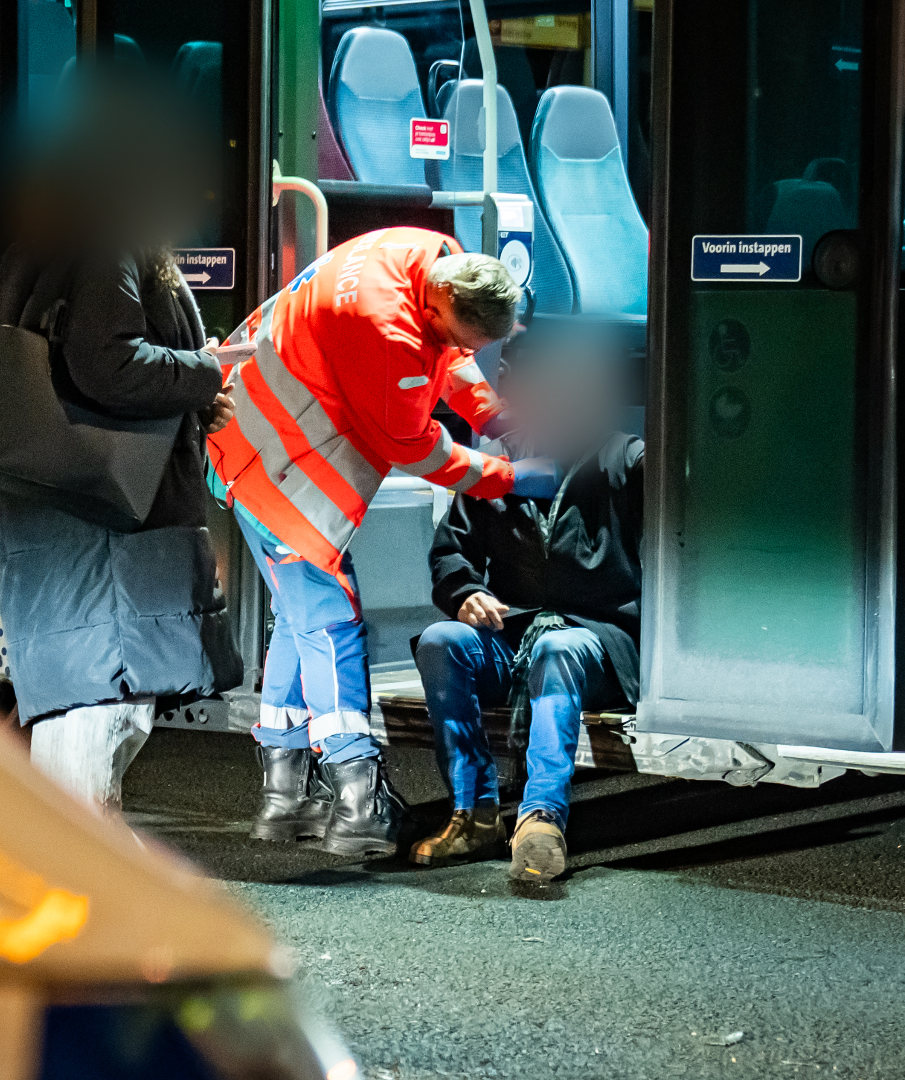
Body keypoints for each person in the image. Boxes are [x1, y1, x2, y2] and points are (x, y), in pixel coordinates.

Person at [206, 227, 558, 858]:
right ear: (437, 306)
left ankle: (284, 799)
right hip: (276, 466)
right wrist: (503, 476)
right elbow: (415, 446)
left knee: (297, 620)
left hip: (245, 436)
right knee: (332, 620)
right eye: (456, 335)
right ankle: (357, 800)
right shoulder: (386, 330)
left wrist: (489, 413)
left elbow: (447, 355)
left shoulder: (430, 255)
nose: (457, 349)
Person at [0, 73, 242, 814]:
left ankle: (78, 890)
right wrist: (204, 374)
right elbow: (108, 362)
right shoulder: (107, 245)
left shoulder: (57, 238)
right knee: (99, 708)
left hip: (75, 517)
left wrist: (195, 402)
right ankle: (80, 895)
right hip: (106, 527)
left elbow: (93, 362)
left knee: (91, 704)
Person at [408, 331, 642, 881]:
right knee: (443, 642)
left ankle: (541, 819)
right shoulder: (498, 468)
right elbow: (450, 554)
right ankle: (475, 813)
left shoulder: (625, 460)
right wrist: (466, 594)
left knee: (557, 649)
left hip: (599, 638)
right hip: (515, 634)